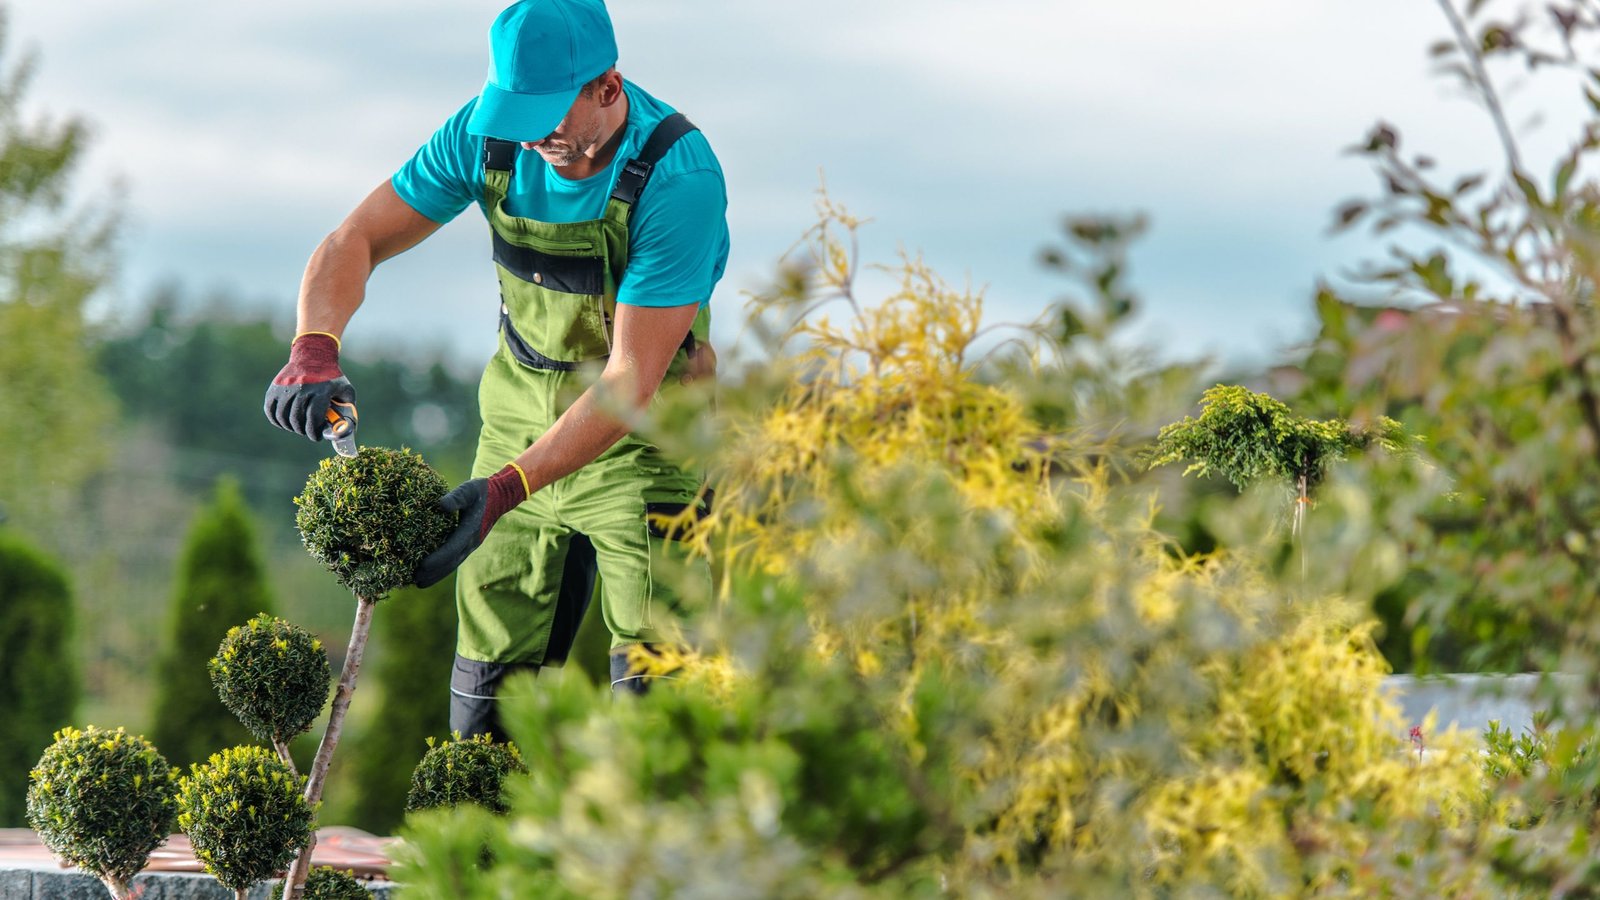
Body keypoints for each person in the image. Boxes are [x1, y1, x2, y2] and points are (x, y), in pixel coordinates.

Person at [263, 0, 726, 738]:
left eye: (550, 111)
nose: (533, 131)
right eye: (517, 110)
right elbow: (355, 237)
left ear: (608, 87)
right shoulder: (486, 136)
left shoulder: (678, 177)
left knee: (662, 692)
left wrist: (504, 490)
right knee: (488, 693)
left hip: (645, 439)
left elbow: (630, 381)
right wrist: (313, 345)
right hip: (515, 413)